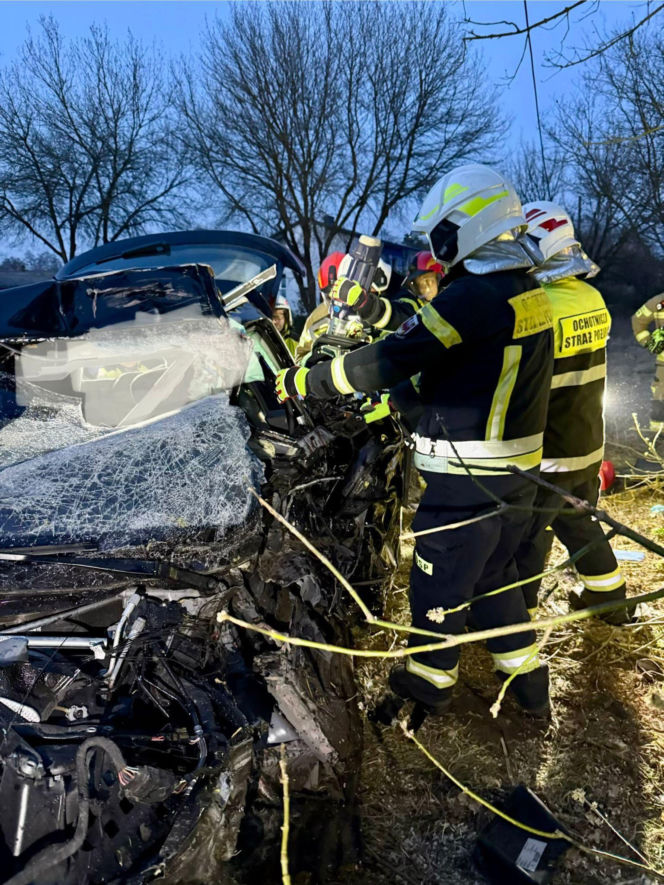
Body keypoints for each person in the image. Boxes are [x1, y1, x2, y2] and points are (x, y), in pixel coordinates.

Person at [276, 164, 554, 716]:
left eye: (441, 233)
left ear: (468, 226)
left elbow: (395, 356)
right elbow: (453, 350)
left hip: (465, 484)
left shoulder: (472, 296)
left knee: (438, 589)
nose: (436, 247)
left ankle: (427, 687)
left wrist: (305, 380)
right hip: (515, 480)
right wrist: (380, 318)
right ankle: (529, 682)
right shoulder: (525, 289)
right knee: (496, 580)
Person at [515, 201, 631, 625]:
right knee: (581, 525)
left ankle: (518, 619)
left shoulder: (539, 306)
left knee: (529, 537)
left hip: (548, 450)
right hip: (586, 444)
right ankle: (613, 602)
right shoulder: (591, 297)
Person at [294, 252, 407, 364]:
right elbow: (300, 357)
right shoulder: (317, 318)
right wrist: (316, 358)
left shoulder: (382, 307)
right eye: (332, 296)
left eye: (343, 293)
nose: (339, 302)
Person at [631, 289, 664, 432]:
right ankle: (657, 435)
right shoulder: (658, 302)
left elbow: (637, 320)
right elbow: (638, 320)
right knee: (659, 397)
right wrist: (648, 342)